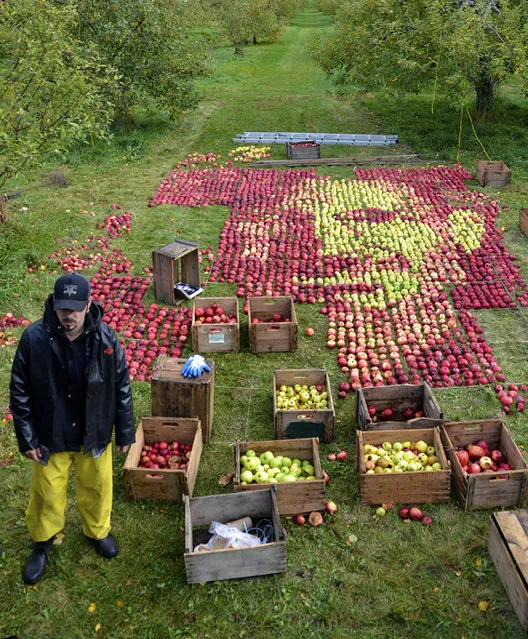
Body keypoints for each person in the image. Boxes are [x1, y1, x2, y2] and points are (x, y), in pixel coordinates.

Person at [10, 272, 135, 585]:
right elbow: (20, 390)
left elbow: (121, 385)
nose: (69, 316)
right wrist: (27, 438)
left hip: (93, 429)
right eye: (63, 308)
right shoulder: (34, 339)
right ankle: (43, 540)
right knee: (46, 491)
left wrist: (125, 430)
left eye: (75, 308)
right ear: (54, 305)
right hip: (50, 431)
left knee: (97, 485)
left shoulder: (106, 338)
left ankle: (97, 531)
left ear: (89, 303)